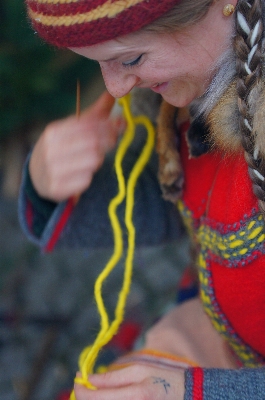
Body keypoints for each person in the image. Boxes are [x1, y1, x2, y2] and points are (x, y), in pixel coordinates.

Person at [20, 0, 265, 398]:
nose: (116, 89)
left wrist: (194, 390)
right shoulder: (199, 82)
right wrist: (48, 184)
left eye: (131, 57)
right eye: (97, 63)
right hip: (225, 333)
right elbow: (192, 201)